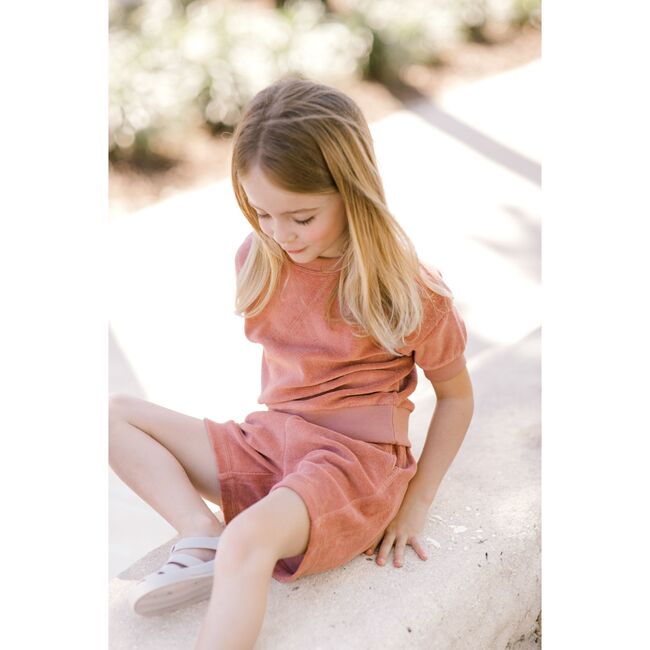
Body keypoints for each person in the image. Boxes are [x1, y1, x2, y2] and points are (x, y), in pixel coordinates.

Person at [109, 76, 474, 649]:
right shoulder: (260, 257)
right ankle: (199, 532)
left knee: (247, 543)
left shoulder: (409, 290)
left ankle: (228, 547)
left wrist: (417, 503)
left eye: (301, 218)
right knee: (111, 415)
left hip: (351, 467)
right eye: (262, 213)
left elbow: (456, 396)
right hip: (273, 445)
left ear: (351, 192)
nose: (281, 234)